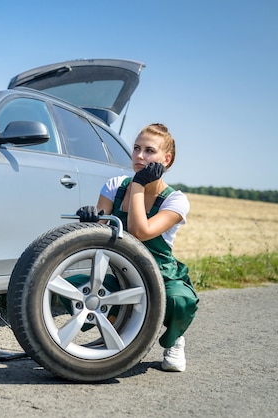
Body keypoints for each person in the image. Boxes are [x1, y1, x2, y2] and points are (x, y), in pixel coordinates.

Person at [76, 122, 198, 372]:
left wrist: (139, 185)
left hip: (160, 275)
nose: (140, 156)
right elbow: (100, 231)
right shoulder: (114, 186)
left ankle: (174, 340)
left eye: (149, 151)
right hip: (121, 274)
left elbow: (139, 233)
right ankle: (115, 324)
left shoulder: (176, 200)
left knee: (180, 300)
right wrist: (91, 220)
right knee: (73, 284)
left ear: (167, 159)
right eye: (136, 148)